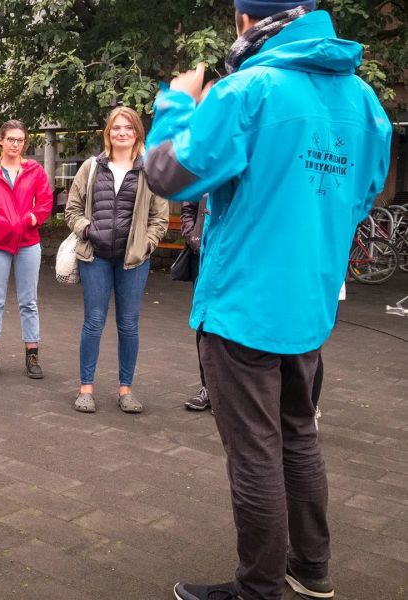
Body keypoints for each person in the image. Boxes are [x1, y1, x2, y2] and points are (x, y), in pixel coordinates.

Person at [143, 1, 392, 599]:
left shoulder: (247, 90)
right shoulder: (365, 102)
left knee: (255, 453)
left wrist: (175, 101)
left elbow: (166, 174)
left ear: (244, 22)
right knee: (299, 435)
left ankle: (258, 589)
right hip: (308, 306)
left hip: (243, 304)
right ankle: (311, 570)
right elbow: (363, 194)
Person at [64, 107, 169, 414]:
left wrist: (146, 245)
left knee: (128, 325)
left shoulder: (151, 170)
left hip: (132, 260)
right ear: (107, 133)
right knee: (94, 322)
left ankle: (126, 389)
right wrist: (88, 230)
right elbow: (72, 210)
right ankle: (86, 388)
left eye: (128, 128)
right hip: (94, 256)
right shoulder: (91, 168)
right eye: (115, 128)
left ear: (137, 132)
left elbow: (159, 218)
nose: (122, 133)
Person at [0, 120, 53, 379]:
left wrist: (31, 219)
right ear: (1, 141)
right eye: (11, 139)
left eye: (20, 140)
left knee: (29, 302)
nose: (16, 144)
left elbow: (46, 202)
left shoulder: (35, 171)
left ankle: (32, 356)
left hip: (28, 242)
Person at [180, 195, 210, 411]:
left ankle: (229, 394)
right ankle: (208, 388)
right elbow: (188, 207)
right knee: (203, 323)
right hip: (204, 257)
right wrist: (194, 237)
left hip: (239, 258)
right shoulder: (207, 169)